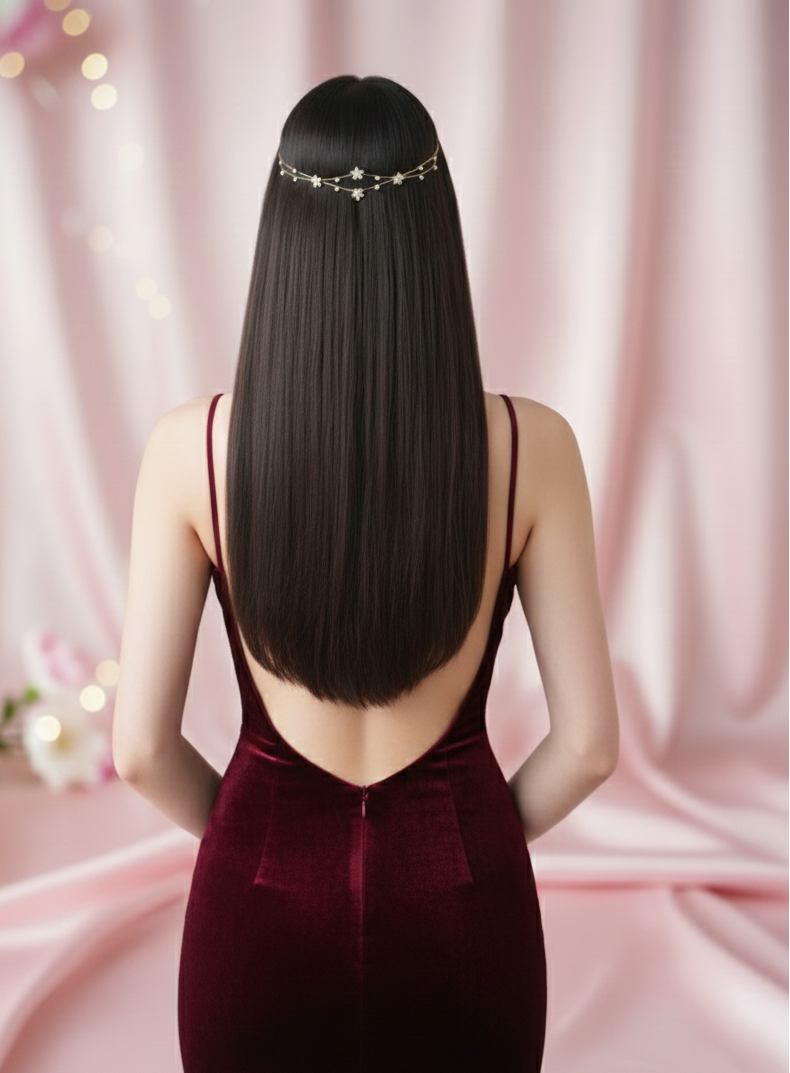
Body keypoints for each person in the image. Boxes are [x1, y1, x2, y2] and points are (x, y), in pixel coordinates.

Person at [113, 74, 619, 1073]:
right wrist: (470, 842)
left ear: (282, 234)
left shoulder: (191, 448)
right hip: (465, 906)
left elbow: (138, 750)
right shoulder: (533, 446)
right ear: (435, 236)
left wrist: (254, 840)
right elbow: (590, 746)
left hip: (258, 906)